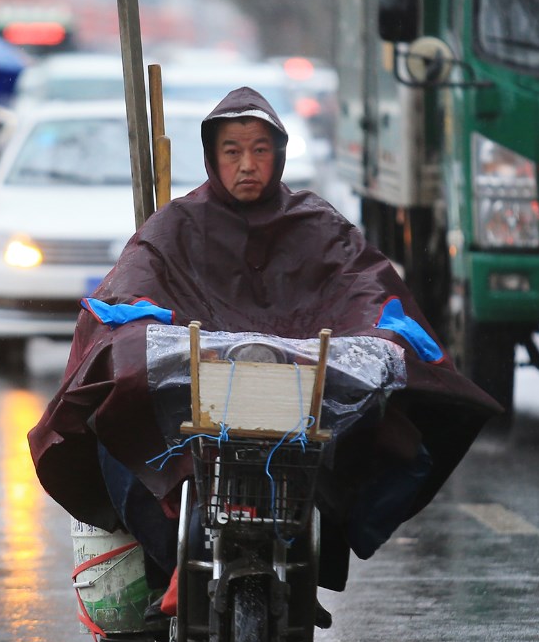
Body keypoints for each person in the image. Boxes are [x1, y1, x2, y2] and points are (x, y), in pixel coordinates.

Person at [27, 86, 500, 607]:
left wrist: (382, 329)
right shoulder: (175, 225)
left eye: (259, 149)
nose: (246, 164)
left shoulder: (317, 223)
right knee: (116, 417)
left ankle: (302, 569)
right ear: (213, 157)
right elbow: (132, 287)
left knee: (374, 423)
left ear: (278, 154)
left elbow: (365, 284)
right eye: (232, 151)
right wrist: (134, 329)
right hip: (199, 391)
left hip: (297, 389)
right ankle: (177, 562)